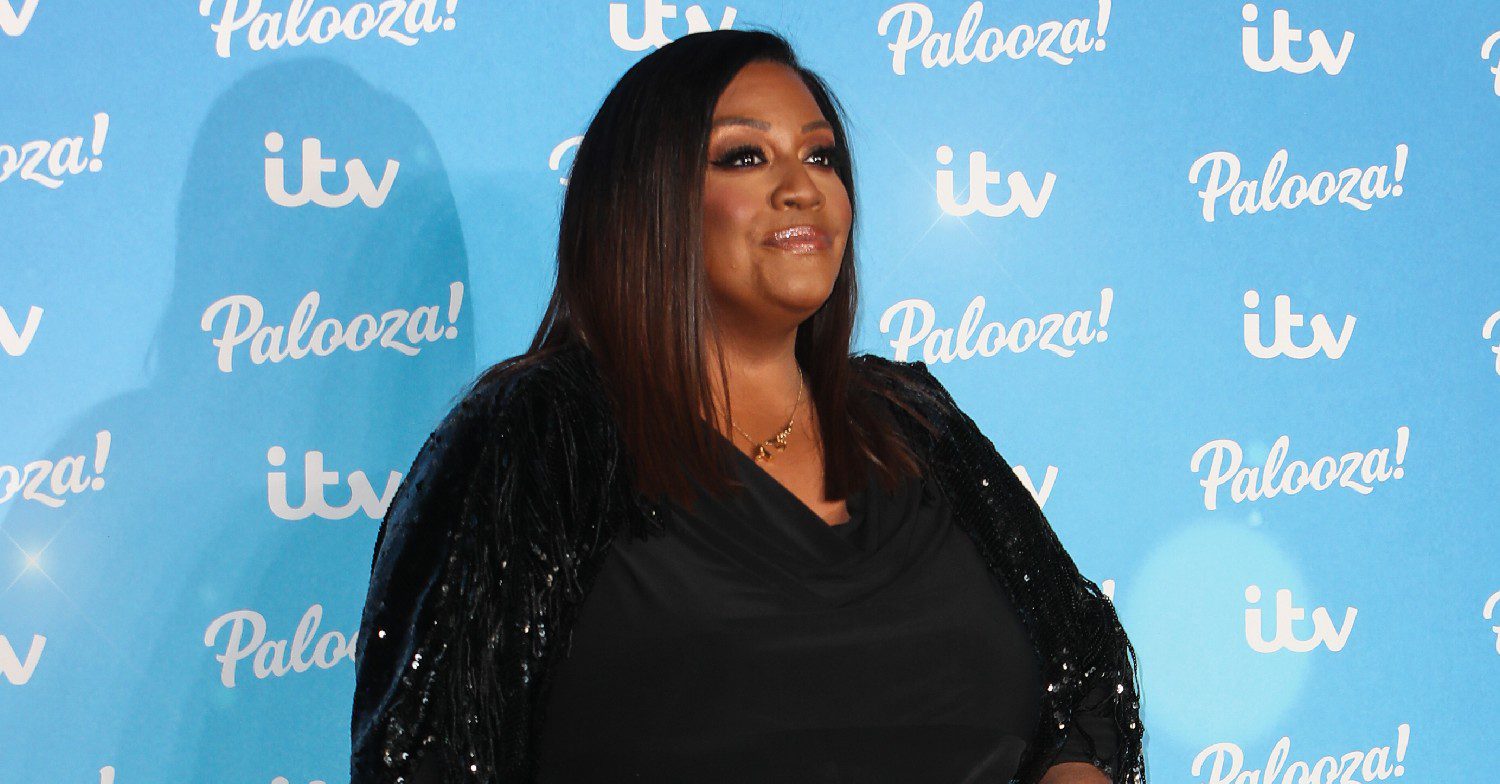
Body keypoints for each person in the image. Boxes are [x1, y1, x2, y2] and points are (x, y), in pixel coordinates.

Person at [350, 29, 1146, 784]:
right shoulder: (537, 437)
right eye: (745, 156)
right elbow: (432, 753)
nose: (803, 187)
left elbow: (1083, 674)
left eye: (821, 155)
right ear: (648, 200)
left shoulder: (917, 425)